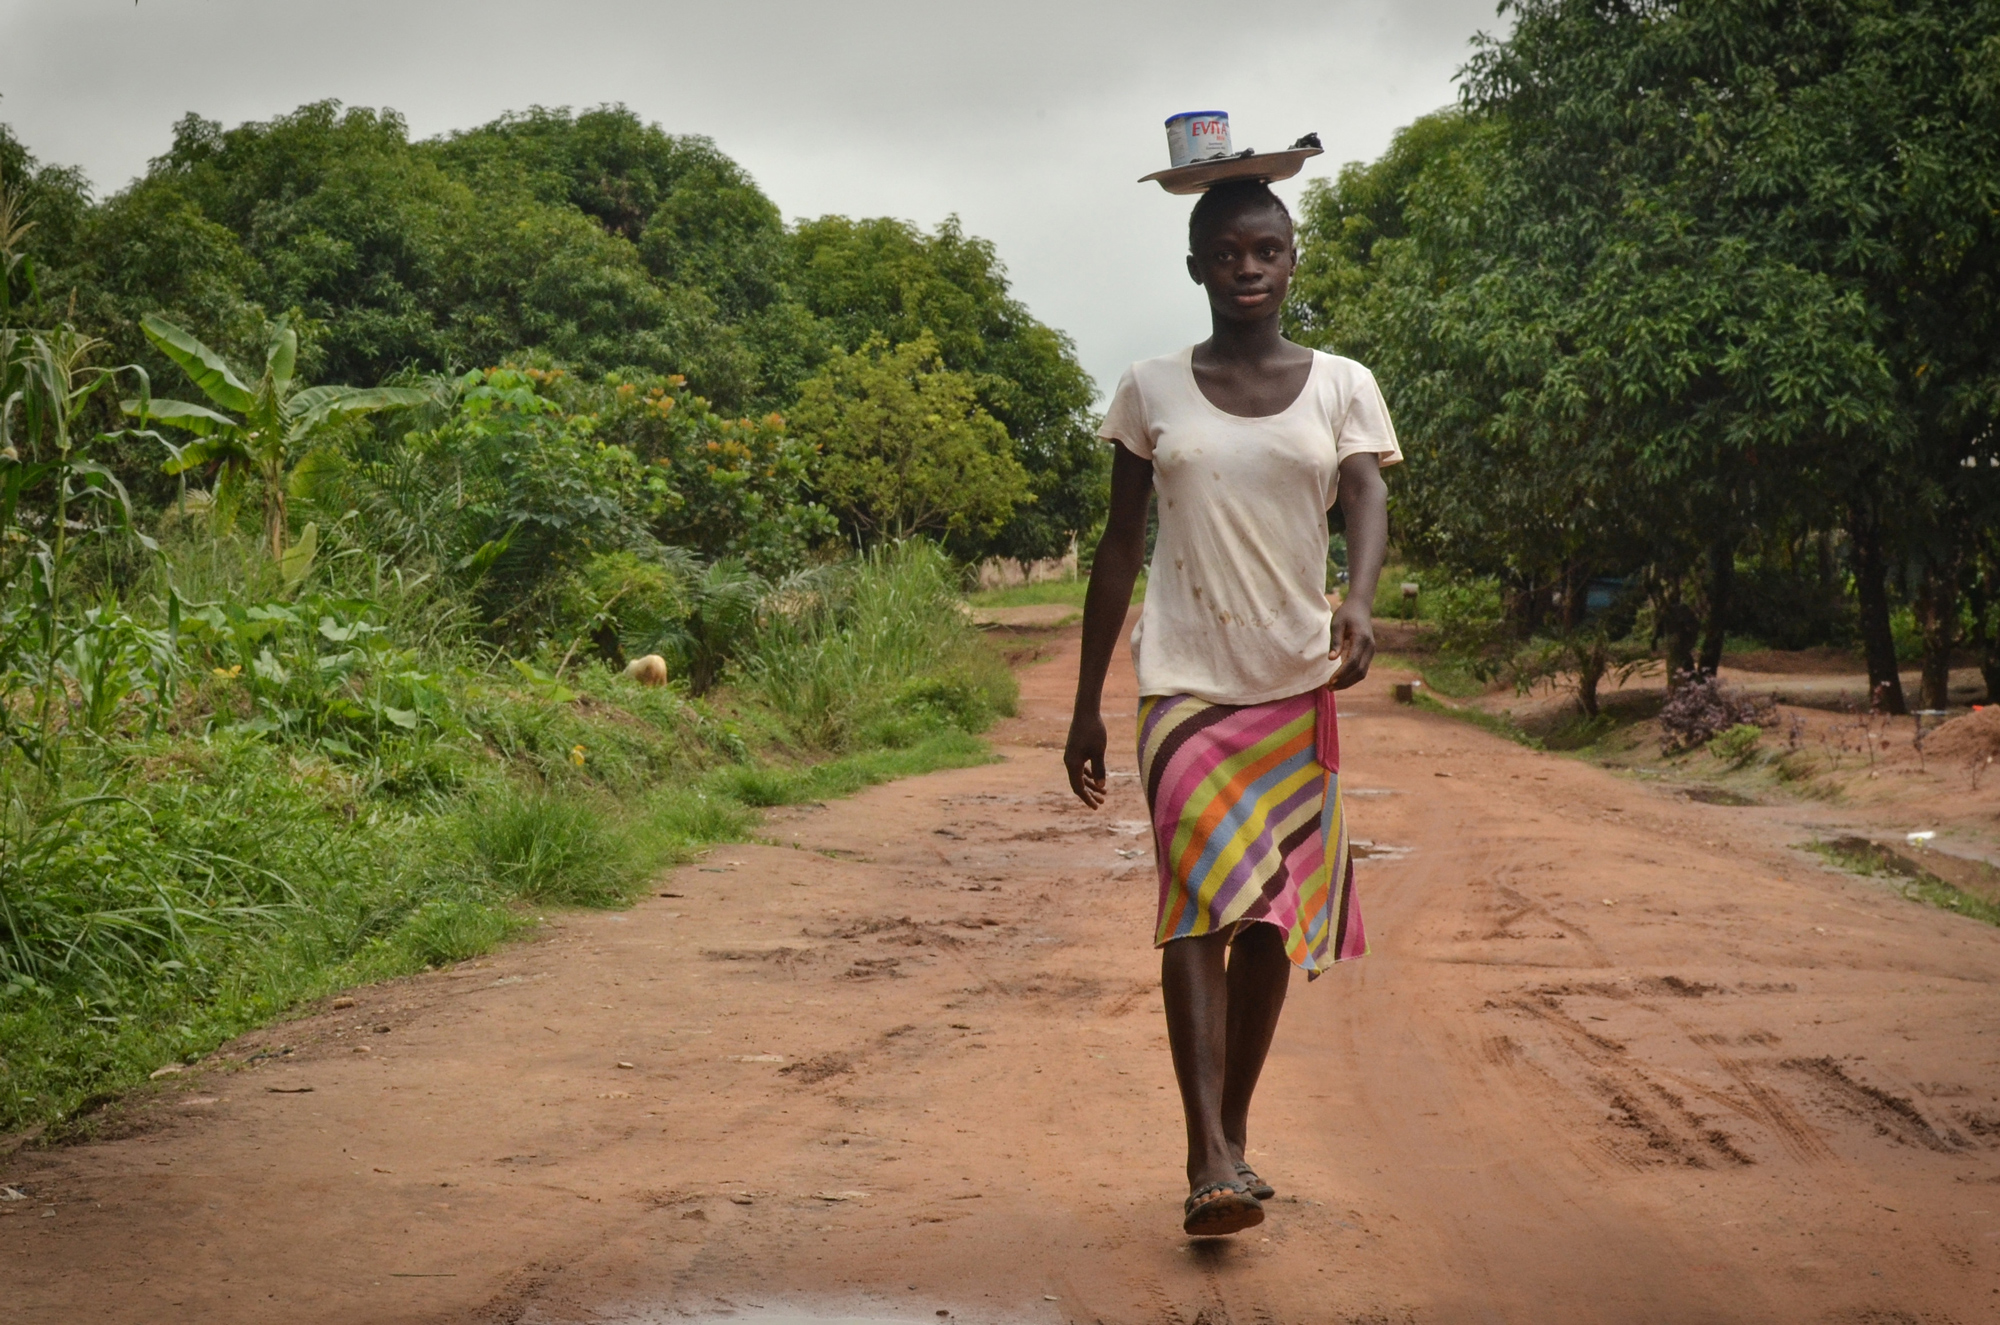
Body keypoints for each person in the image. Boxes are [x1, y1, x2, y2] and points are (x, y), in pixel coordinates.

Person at [1063, 178, 1399, 1237]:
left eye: (1266, 250)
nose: (1247, 268)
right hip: (1184, 687)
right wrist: (1085, 704)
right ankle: (1205, 1149)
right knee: (1199, 904)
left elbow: (1364, 489)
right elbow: (1119, 546)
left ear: (1291, 260)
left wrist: (1355, 598)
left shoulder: (1341, 382)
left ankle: (1233, 1132)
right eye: (1226, 252)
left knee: (1268, 920)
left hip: (1293, 685)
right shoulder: (1149, 388)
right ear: (1196, 265)